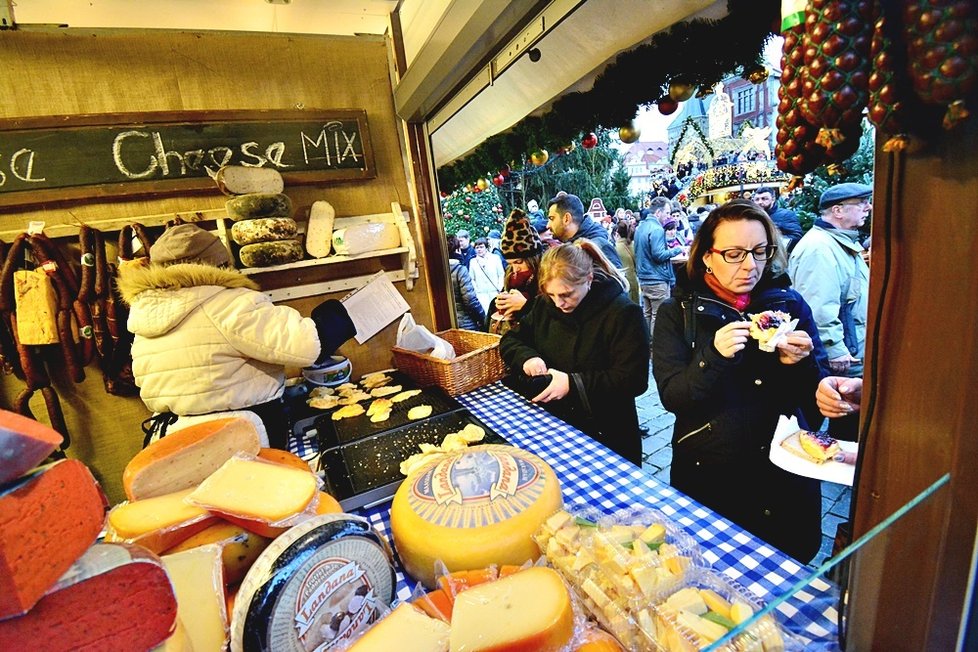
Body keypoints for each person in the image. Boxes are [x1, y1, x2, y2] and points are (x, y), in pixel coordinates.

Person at [652, 199, 829, 563]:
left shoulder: (790, 305)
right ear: (706, 256)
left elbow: (815, 404)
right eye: (733, 254)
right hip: (713, 477)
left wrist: (802, 364)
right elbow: (674, 397)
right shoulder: (677, 313)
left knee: (787, 571)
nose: (750, 265)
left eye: (759, 251)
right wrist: (712, 357)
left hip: (784, 478)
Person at [117, 223, 354, 449]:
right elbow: (309, 346)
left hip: (173, 439)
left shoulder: (144, 311)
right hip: (240, 436)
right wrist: (338, 313)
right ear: (220, 264)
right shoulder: (229, 303)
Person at [500, 241, 649, 464]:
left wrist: (573, 383)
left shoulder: (623, 313)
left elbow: (633, 380)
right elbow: (511, 340)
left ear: (588, 280)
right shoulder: (543, 305)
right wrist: (527, 357)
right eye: (551, 294)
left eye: (567, 294)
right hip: (554, 426)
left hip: (607, 433)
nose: (559, 303)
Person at [788, 182, 871, 380]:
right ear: (838, 210)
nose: (868, 207)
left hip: (855, 353)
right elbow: (818, 307)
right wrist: (833, 349)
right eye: (861, 202)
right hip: (845, 360)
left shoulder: (840, 242)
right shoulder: (820, 249)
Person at [634, 197, 684, 351]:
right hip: (657, 279)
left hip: (644, 278)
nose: (668, 217)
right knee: (658, 314)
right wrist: (677, 250)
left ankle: (647, 345)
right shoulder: (656, 229)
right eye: (667, 213)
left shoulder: (641, 227)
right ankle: (657, 347)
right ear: (659, 212)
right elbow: (659, 255)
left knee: (648, 314)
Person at [486, 209, 544, 335]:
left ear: (533, 259)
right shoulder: (510, 275)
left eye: (518, 262)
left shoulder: (547, 277)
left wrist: (526, 305)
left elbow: (553, 317)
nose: (515, 269)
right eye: (510, 264)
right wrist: (497, 303)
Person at [546, 191, 623, 267]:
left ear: (566, 219)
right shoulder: (573, 245)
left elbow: (617, 278)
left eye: (552, 218)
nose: (547, 225)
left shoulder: (599, 247)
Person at [447, 235, 486, 331]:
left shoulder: (435, 270)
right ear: (457, 250)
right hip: (466, 323)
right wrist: (483, 319)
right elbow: (470, 300)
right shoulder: (460, 270)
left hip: (447, 324)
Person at [752, 187, 803, 252]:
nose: (760, 202)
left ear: (773, 199)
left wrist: (773, 244)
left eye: (764, 199)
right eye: (757, 199)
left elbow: (796, 237)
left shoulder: (786, 215)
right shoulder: (752, 217)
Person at [468, 237, 505, 313]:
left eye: (481, 247)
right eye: (477, 248)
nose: (479, 249)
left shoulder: (495, 258)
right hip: (481, 294)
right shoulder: (473, 262)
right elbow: (472, 278)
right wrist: (477, 291)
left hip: (495, 292)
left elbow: (501, 274)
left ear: (486, 247)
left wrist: (499, 287)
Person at [614, 221, 640, 304]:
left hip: (623, 283)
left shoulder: (616, 248)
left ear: (617, 233)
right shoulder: (633, 245)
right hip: (634, 281)